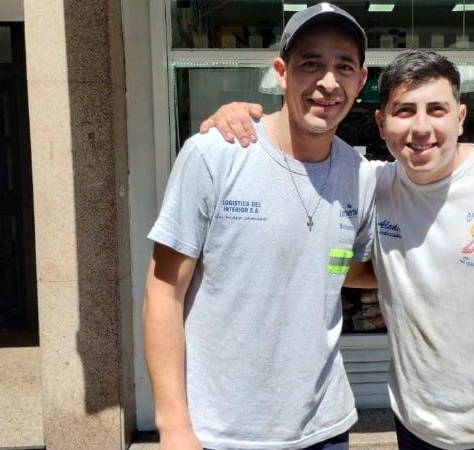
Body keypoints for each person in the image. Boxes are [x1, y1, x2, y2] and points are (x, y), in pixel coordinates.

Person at [200, 50, 474, 449]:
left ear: (461, 117)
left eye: (437, 109)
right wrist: (243, 121)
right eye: (404, 111)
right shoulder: (371, 185)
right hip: (418, 433)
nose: (421, 128)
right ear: (381, 124)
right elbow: (342, 249)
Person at [142, 3, 376, 449]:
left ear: (360, 80)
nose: (328, 82)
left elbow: (344, 267)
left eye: (343, 66)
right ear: (282, 72)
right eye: (311, 64)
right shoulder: (216, 154)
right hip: (223, 433)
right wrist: (173, 427)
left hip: (325, 428)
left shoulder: (360, 175)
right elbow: (163, 291)